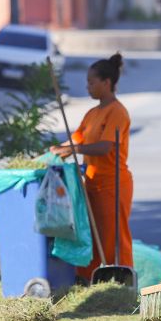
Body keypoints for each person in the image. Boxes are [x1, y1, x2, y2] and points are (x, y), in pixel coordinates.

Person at [50, 53, 133, 282]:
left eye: (91, 82)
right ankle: (91, 280)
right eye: (87, 82)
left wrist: (73, 151)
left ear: (107, 83)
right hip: (92, 183)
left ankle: (121, 283)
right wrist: (55, 150)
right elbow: (76, 139)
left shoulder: (117, 112)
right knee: (92, 237)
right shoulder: (92, 113)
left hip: (113, 184)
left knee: (113, 237)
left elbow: (105, 147)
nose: (87, 87)